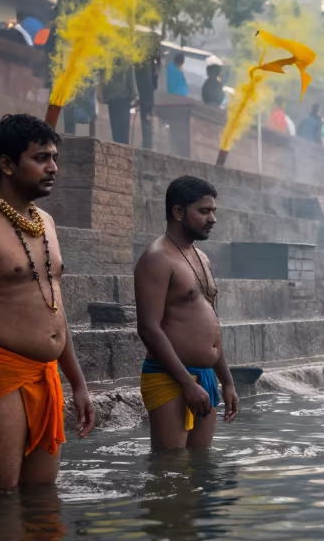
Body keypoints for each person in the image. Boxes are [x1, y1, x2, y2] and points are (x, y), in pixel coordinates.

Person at [0, 114, 97, 494]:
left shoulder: (47, 222)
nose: (53, 167)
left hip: (48, 374)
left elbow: (53, 308)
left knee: (42, 498)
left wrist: (77, 382)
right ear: (7, 164)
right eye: (41, 157)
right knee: (0, 500)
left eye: (54, 157)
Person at [134, 176, 240, 450]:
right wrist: (186, 383)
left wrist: (226, 381)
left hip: (205, 377)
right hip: (170, 378)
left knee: (200, 468)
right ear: (178, 212)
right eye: (204, 211)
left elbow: (212, 325)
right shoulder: (157, 258)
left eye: (214, 211)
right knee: (172, 471)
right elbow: (148, 327)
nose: (213, 218)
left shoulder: (201, 257)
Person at [101, 59, 136, 145]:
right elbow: (131, 80)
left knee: (116, 130)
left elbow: (104, 80)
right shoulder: (126, 62)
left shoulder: (108, 62)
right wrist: (134, 94)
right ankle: (123, 150)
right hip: (123, 99)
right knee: (123, 130)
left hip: (114, 99)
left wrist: (105, 95)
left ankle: (119, 149)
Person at [136, 47, 161, 149]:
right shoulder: (152, 67)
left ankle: (147, 143)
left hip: (144, 96)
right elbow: (155, 85)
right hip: (149, 96)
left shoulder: (140, 66)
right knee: (148, 120)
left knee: (145, 119)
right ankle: (148, 143)